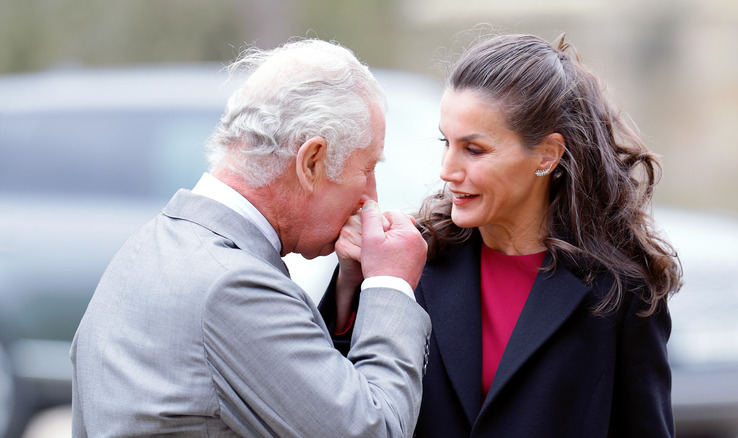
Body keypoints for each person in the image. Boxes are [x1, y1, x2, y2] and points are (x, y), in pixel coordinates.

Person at [322, 33, 682, 437]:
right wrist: (351, 283)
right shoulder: (412, 258)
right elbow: (335, 405)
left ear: (548, 154)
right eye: (446, 142)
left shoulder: (619, 290)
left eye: (474, 150)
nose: (447, 169)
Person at [70, 38, 431, 438]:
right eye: (367, 168)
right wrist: (390, 285)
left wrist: (352, 287)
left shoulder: (148, 247)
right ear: (311, 162)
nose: (372, 197)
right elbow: (375, 429)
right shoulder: (231, 286)